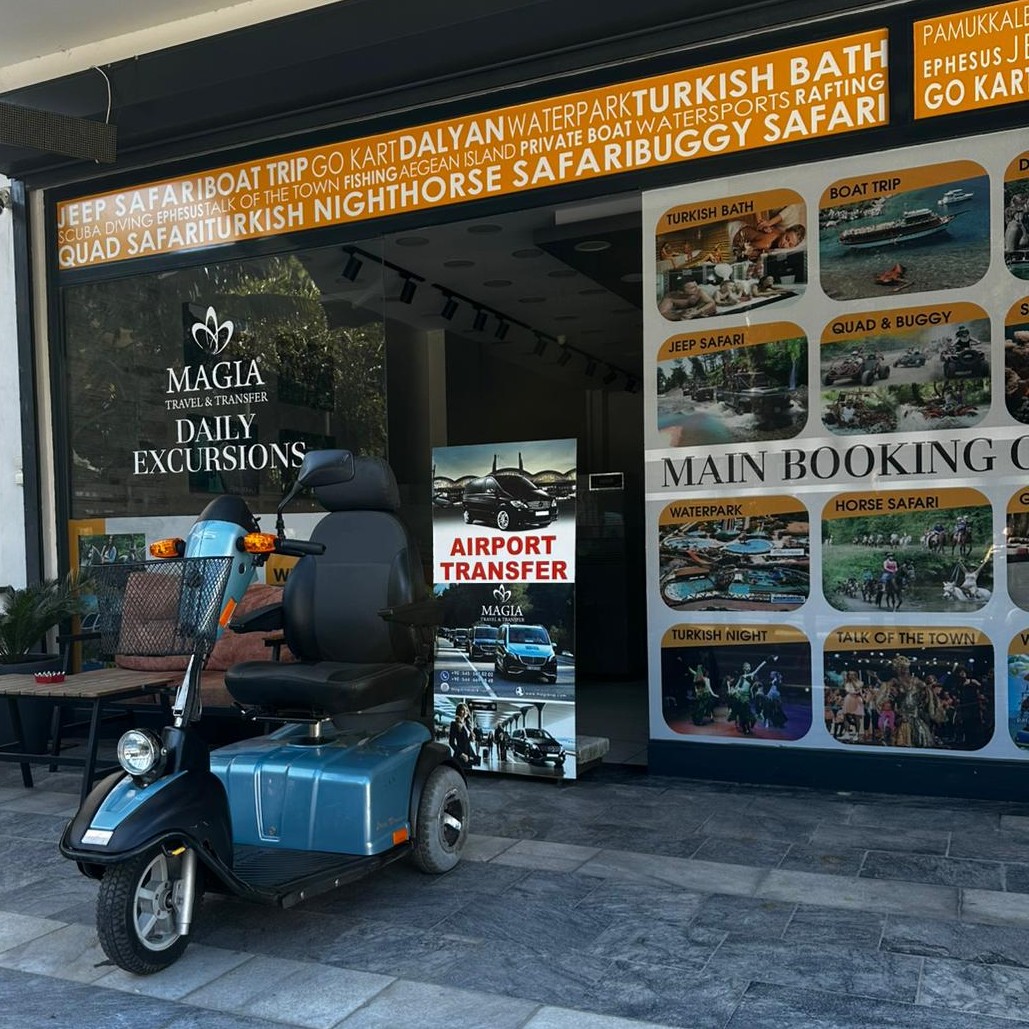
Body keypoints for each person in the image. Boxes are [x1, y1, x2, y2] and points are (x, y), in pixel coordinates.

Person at [448, 703, 476, 769]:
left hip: (469, 753)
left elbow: (468, 740)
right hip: (460, 754)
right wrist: (461, 754)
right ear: (458, 711)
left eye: (466, 710)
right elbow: (451, 743)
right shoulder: (454, 724)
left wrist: (472, 738)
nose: (465, 712)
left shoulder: (468, 724)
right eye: (463, 710)